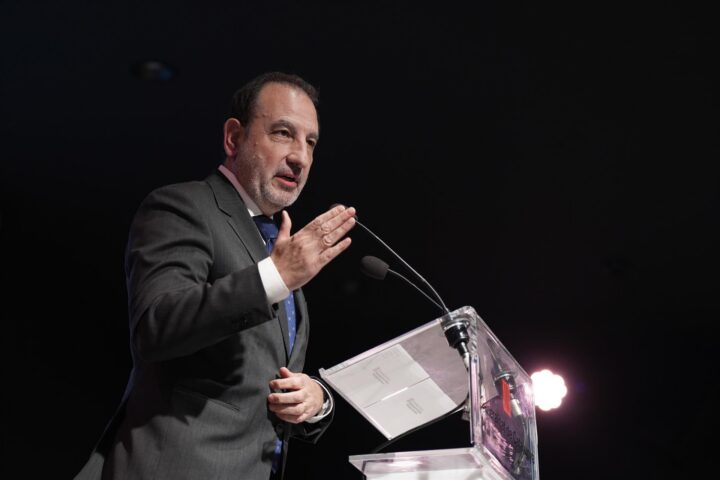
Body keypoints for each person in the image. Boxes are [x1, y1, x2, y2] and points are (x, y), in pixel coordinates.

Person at [75, 72, 357, 480]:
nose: (300, 156)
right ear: (233, 137)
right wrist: (275, 276)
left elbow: (261, 379)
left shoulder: (273, 244)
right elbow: (156, 326)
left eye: (310, 142)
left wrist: (316, 400)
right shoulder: (183, 207)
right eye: (283, 133)